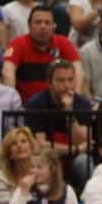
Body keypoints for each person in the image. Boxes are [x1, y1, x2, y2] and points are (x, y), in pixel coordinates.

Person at [24, 60, 93, 189]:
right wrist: (75, 149)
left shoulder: (82, 103)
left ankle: (84, 203)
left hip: (74, 161)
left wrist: (69, 113)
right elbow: (40, 145)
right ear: (49, 83)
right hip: (45, 161)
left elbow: (85, 141)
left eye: (70, 80)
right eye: (60, 80)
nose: (67, 86)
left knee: (85, 162)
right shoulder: (36, 104)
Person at [2, 6, 82, 104]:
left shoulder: (63, 42)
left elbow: (78, 69)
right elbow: (7, 71)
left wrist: (75, 98)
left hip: (59, 106)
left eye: (47, 23)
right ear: (29, 25)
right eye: (38, 22)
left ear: (54, 26)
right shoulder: (18, 44)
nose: (43, 26)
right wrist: (12, 102)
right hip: (26, 107)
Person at [0, 128, 39, 204]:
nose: (19, 145)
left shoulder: (40, 172)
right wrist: (23, 190)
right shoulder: (2, 176)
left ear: (32, 147)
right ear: (9, 154)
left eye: (23, 141)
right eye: (14, 143)